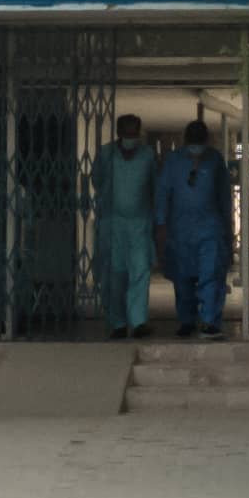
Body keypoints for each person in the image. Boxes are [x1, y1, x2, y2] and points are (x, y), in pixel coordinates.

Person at [156, 117, 234, 340]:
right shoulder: (174, 161)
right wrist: (160, 223)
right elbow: (163, 193)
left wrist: (228, 231)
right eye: (193, 142)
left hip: (210, 229)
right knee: (183, 278)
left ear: (206, 141)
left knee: (211, 274)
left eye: (200, 142)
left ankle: (210, 322)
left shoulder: (215, 161)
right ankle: (186, 320)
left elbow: (224, 197)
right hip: (180, 230)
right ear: (186, 140)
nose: (196, 147)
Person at [92, 113, 157, 338]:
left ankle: (138, 322)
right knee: (114, 275)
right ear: (119, 133)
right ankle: (117, 322)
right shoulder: (105, 154)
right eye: (127, 133)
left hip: (139, 224)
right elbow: (96, 180)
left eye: (134, 133)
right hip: (113, 224)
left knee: (140, 271)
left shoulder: (147, 155)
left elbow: (153, 185)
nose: (131, 138)